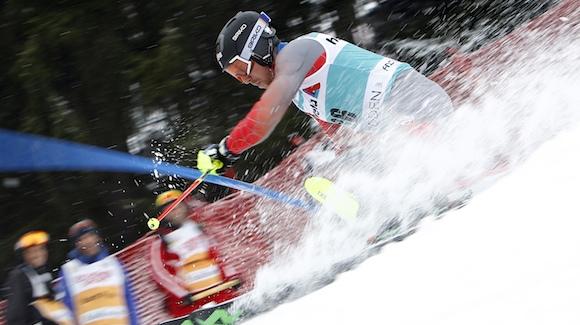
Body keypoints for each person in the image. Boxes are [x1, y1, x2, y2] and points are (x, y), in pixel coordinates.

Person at [200, 11, 454, 171]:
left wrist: (227, 149)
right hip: (402, 123)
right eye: (236, 77)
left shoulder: (296, 53)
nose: (244, 80)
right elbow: (345, 137)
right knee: (340, 171)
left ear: (257, 49)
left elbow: (265, 116)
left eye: (242, 70)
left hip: (415, 102)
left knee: (409, 154)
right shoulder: (300, 94)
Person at [149, 190, 239, 318]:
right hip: (191, 302)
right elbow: (158, 273)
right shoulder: (161, 241)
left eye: (178, 206)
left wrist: (232, 275)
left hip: (219, 293)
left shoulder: (198, 228)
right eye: (169, 209)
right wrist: (181, 294)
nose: (175, 211)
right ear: (163, 215)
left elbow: (218, 255)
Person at [57, 219, 138, 325]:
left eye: (91, 236)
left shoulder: (114, 264)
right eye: (82, 238)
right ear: (77, 244)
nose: (88, 241)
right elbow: (67, 310)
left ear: (98, 238)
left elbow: (129, 300)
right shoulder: (69, 271)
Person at [3, 231, 73, 325]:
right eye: (32, 251)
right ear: (24, 255)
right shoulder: (19, 276)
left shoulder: (45, 272)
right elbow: (15, 316)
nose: (38, 254)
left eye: (41, 249)